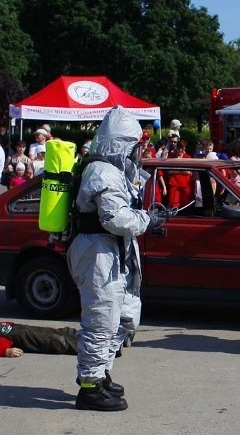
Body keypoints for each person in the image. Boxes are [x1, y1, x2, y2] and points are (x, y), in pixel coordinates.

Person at [67, 105, 162, 412]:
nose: (140, 152)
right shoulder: (102, 171)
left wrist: (147, 216)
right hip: (97, 254)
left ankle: (101, 371)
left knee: (125, 316)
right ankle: (90, 385)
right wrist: (148, 221)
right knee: (101, 319)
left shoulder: (113, 170)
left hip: (110, 252)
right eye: (136, 146)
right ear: (122, 144)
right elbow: (113, 218)